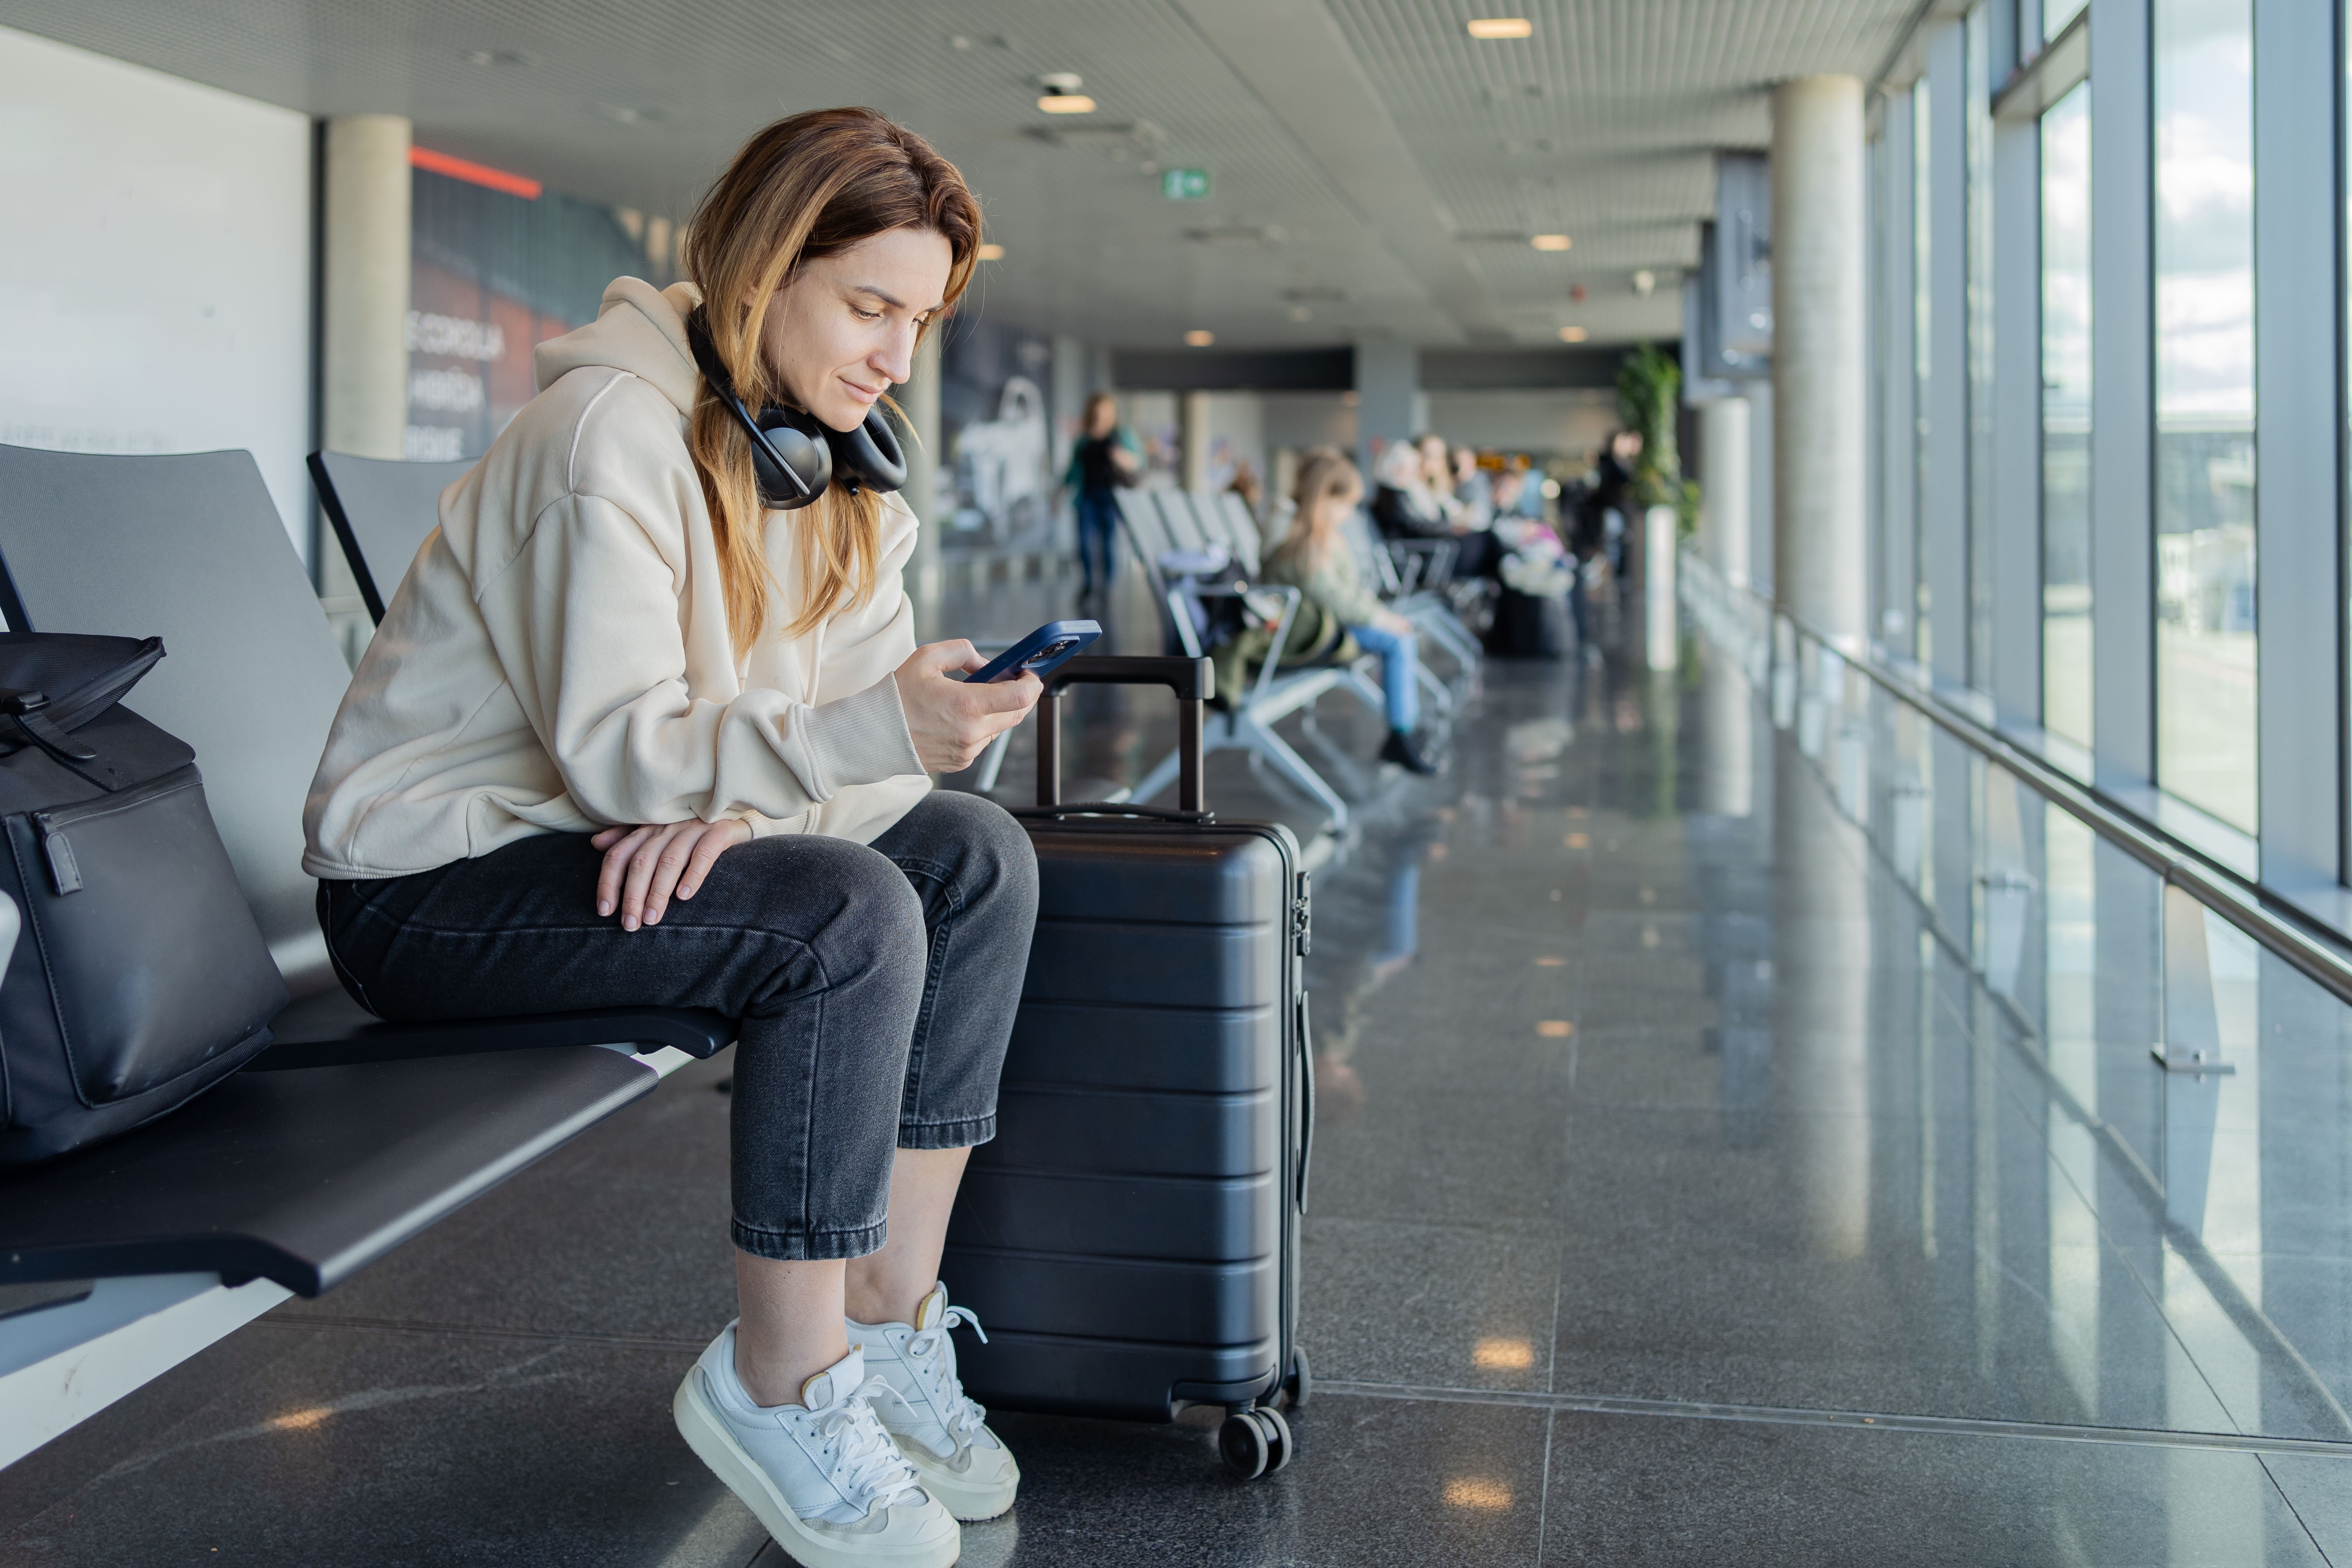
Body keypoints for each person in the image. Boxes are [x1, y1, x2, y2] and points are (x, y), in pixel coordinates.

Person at [303, 109, 1039, 1568]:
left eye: (920, 319)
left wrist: (826, 770)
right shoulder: (603, 434)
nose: (897, 355)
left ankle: (888, 1319)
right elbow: (623, 752)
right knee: (842, 914)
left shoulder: (831, 471)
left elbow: (849, 765)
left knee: (968, 858)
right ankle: (780, 1372)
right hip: (430, 888)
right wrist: (754, 787)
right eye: (869, 306)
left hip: (595, 841)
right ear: (767, 274)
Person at [1261, 448, 1439, 774]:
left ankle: (1404, 730)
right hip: (1305, 632)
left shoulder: (1313, 536)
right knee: (1397, 641)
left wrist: (1380, 615)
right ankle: (1401, 734)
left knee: (1397, 636)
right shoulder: (1302, 542)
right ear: (1324, 499)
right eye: (1344, 505)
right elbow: (1332, 597)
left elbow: (1343, 593)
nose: (1347, 514)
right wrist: (1382, 617)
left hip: (1320, 624)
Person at [1062, 391, 1138, 596]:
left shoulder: (1121, 437)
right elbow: (1072, 470)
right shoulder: (1084, 441)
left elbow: (1137, 462)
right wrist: (1060, 492)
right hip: (1087, 496)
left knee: (1108, 543)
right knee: (1085, 542)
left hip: (1111, 497)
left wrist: (1121, 457)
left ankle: (1107, 585)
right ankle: (1088, 582)